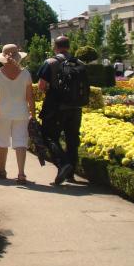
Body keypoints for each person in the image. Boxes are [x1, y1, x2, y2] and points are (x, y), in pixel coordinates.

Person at [37, 36, 86, 185]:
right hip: (76, 107)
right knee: (72, 139)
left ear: (55, 47)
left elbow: (41, 85)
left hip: (56, 106)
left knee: (49, 135)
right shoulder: (80, 63)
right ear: (69, 47)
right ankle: (70, 174)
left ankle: (63, 164)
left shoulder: (50, 62)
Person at [0, 44, 36, 184]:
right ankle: (21, 173)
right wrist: (32, 114)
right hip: (21, 112)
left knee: (2, 142)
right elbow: (30, 97)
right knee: (21, 142)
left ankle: (2, 170)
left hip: (2, 112)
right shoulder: (25, 73)